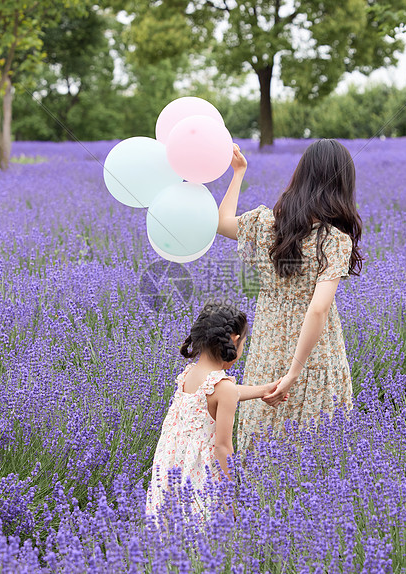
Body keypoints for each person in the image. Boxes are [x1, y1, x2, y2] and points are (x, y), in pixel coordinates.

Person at [217, 139, 363, 451]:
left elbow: (221, 223)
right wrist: (295, 371)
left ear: (300, 177)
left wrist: (238, 173)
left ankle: (258, 499)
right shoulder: (334, 241)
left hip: (268, 348)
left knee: (263, 438)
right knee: (317, 445)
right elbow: (318, 309)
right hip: (315, 355)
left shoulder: (266, 223)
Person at [146, 302, 285, 517]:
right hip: (201, 476)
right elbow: (223, 447)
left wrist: (263, 390)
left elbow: (222, 393)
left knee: (171, 532)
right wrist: (230, 499)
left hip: (170, 471)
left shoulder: (189, 374)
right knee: (203, 536)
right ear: (234, 340)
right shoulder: (224, 388)